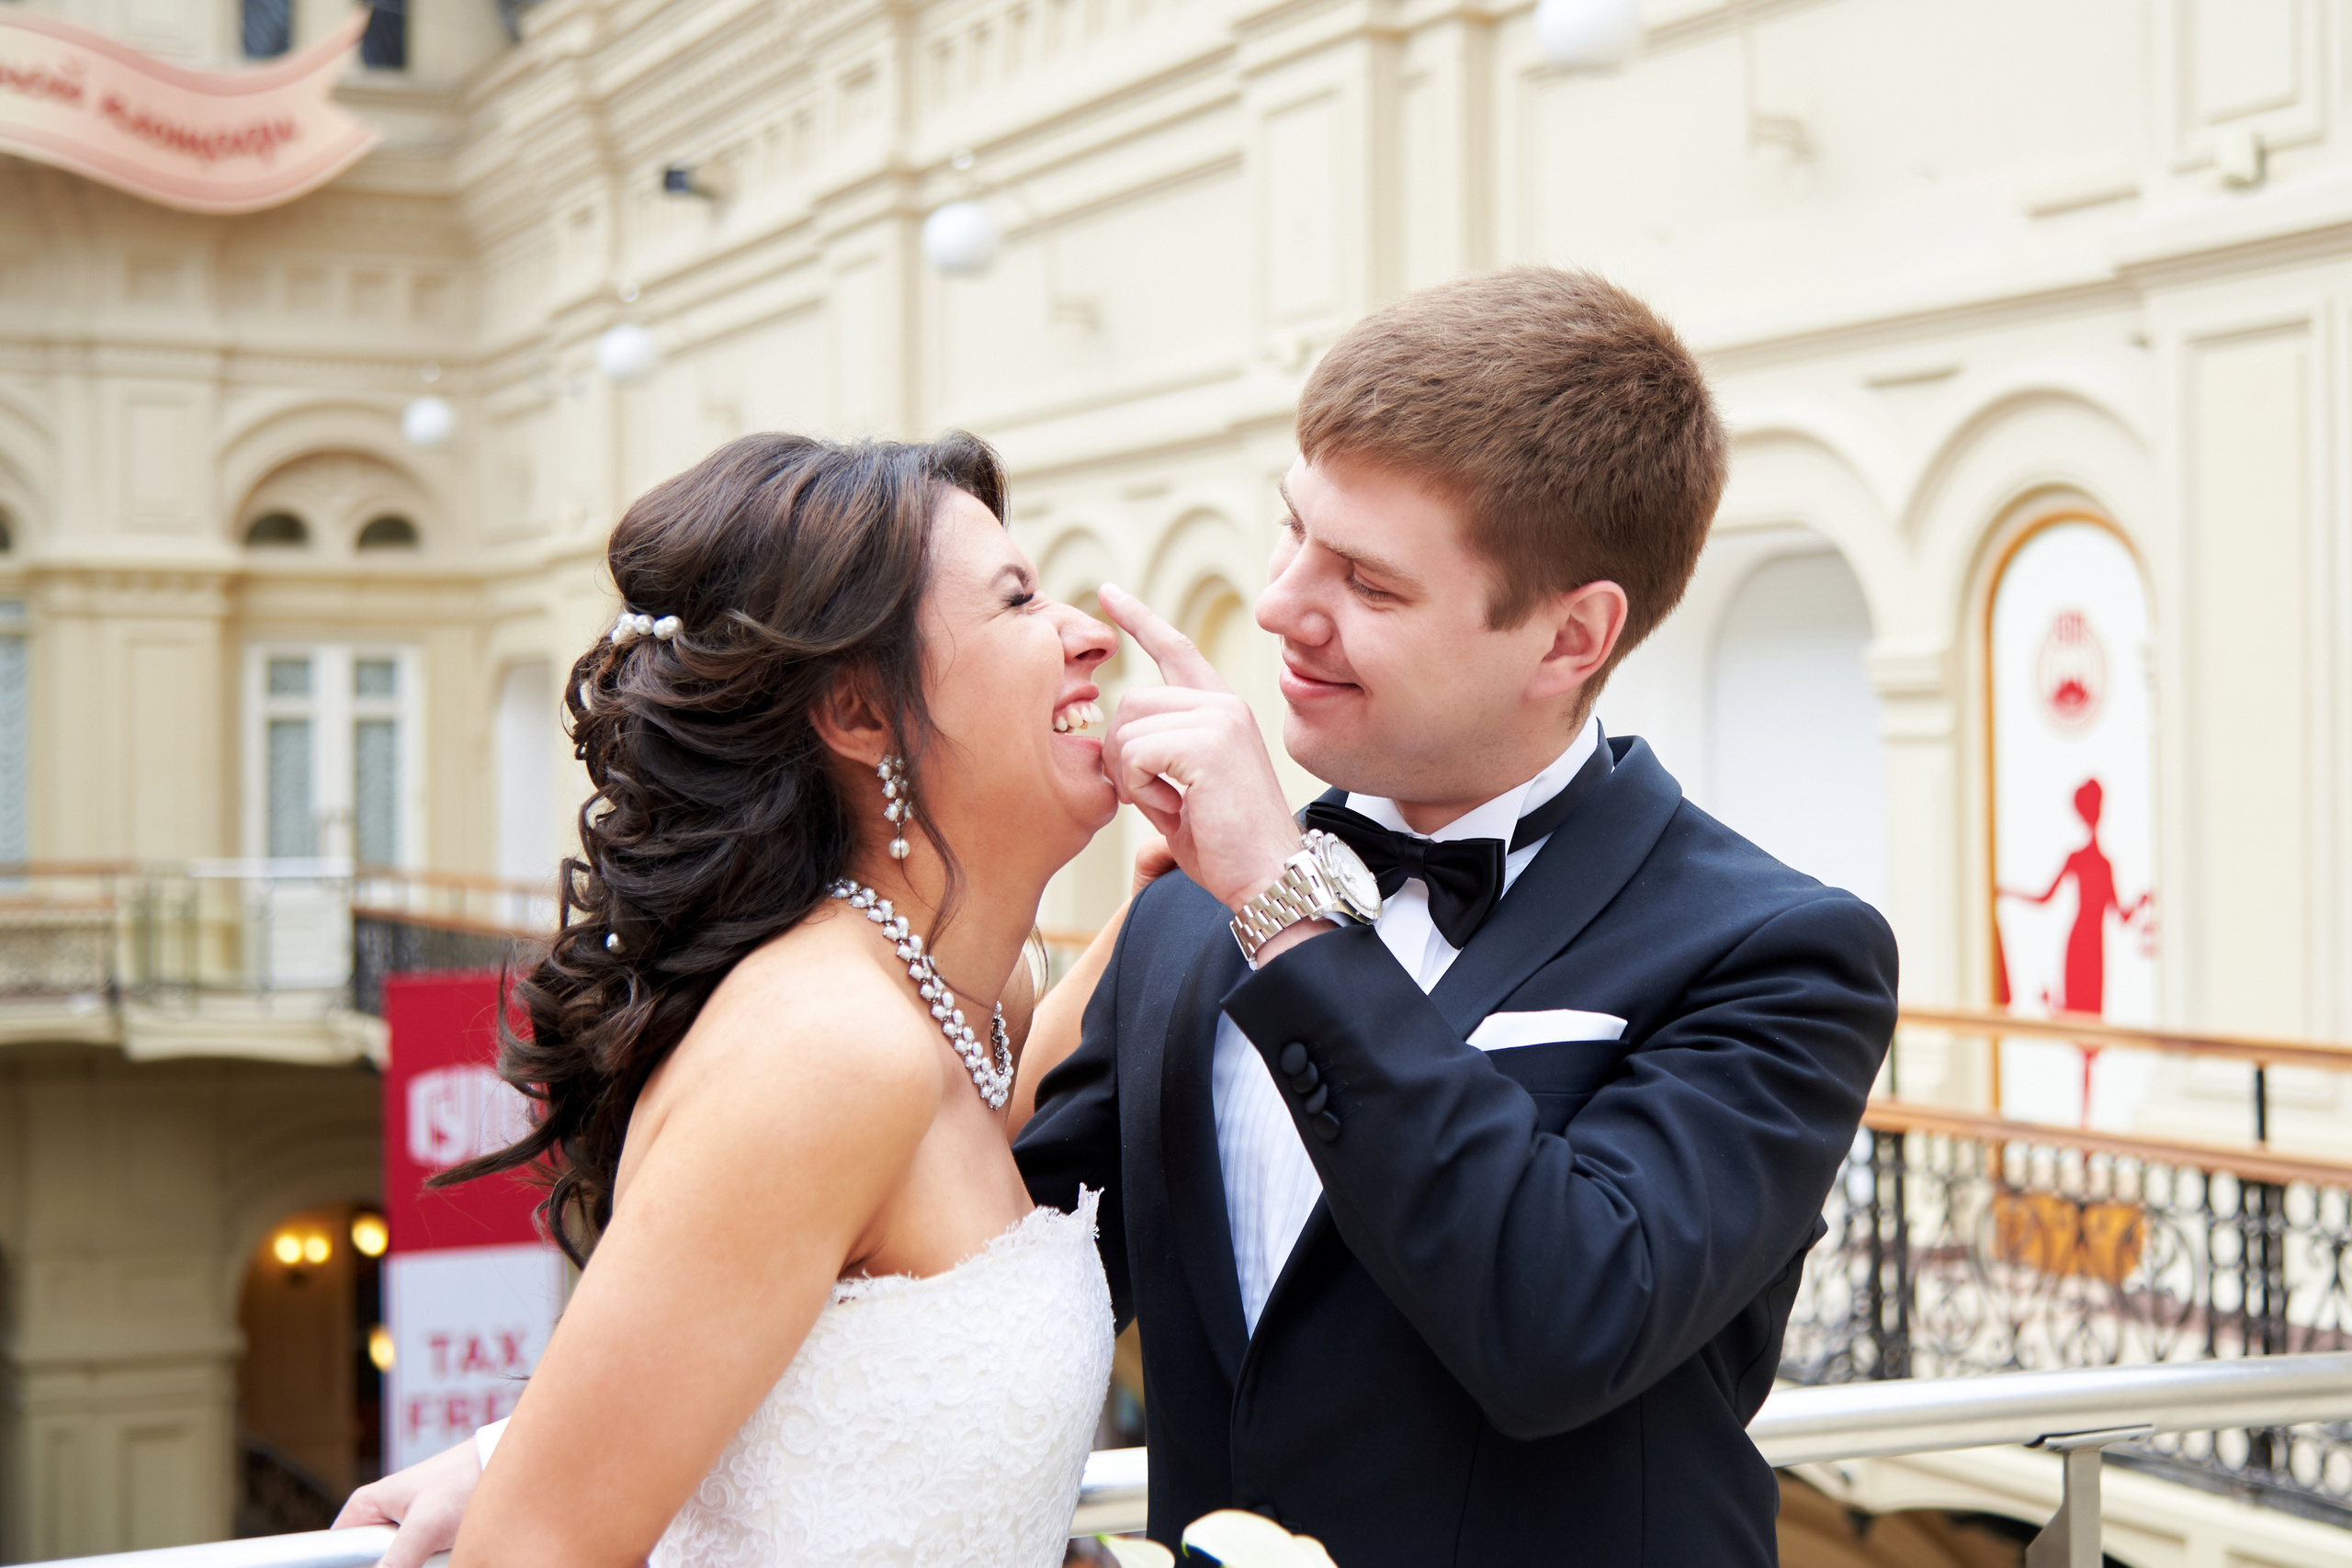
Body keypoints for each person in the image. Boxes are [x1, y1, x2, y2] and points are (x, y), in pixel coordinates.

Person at [348, 266, 1898, 1567]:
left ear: (1572, 637)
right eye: (1291, 528)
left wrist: (1285, 904)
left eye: (1365, 581)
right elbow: (906, 1257)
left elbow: (1560, 1316)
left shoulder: (1778, 952)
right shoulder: (1176, 917)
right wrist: (543, 1446)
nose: (1280, 603)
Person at [340, 430, 1127, 1568]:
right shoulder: (824, 1050)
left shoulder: (968, 1000)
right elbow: (532, 1550)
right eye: (1017, 602)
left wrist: (1211, 886)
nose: (1089, 634)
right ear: (859, 712)